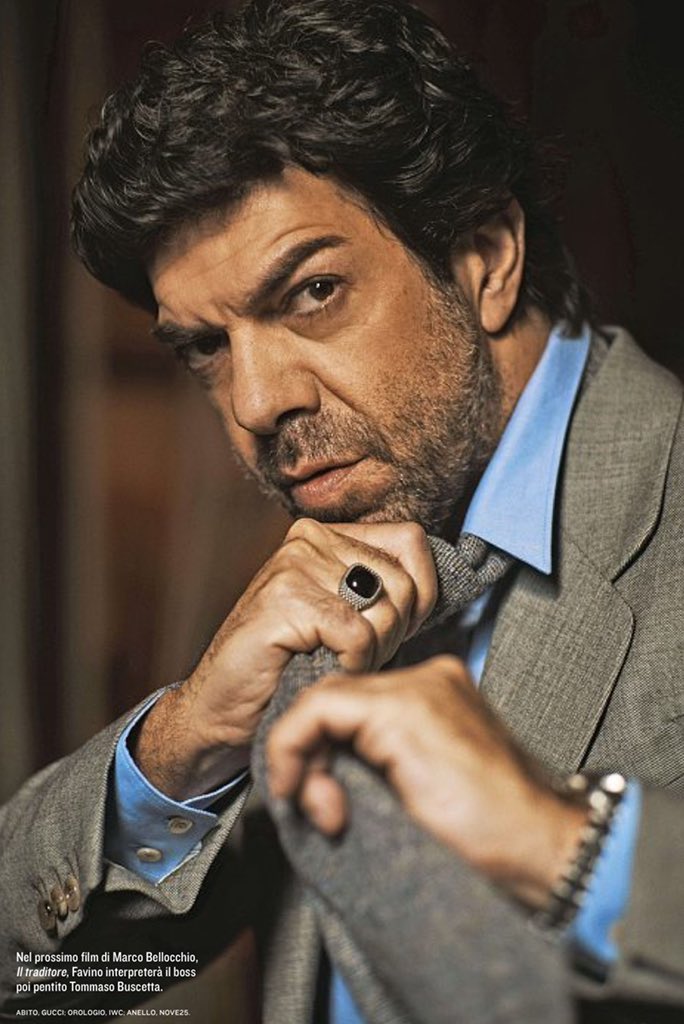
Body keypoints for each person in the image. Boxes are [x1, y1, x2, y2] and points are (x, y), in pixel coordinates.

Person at [1, 0, 683, 1021]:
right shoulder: (319, 587)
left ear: (486, 258)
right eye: (207, 346)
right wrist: (181, 748)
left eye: (311, 292)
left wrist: (576, 846)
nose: (254, 401)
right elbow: (40, 989)